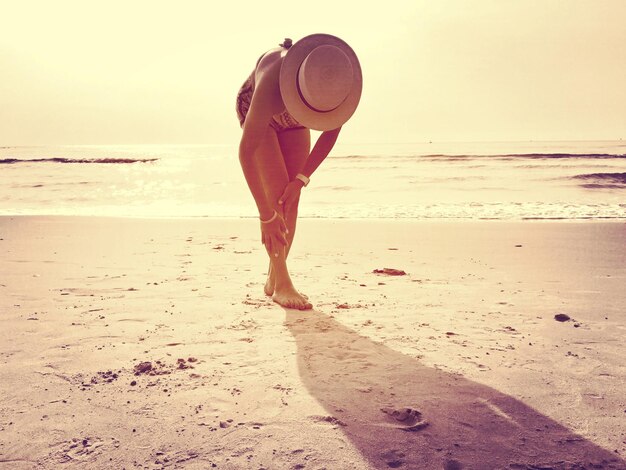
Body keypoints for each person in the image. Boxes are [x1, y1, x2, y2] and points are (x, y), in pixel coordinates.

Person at [236, 33, 362, 310]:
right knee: (276, 196)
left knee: (290, 196)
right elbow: (246, 153)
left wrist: (302, 180)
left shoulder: (338, 87)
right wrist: (265, 217)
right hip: (261, 110)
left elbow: (329, 134)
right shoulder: (271, 81)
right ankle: (282, 283)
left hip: (298, 114)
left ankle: (274, 276)